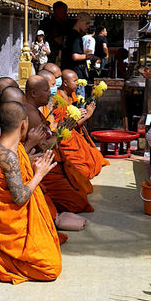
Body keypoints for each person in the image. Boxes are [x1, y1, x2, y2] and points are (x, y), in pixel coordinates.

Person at [0, 100, 61, 284]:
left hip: (15, 221)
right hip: (12, 222)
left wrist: (30, 162)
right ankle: (0, 259)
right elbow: (20, 197)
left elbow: (14, 174)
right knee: (51, 269)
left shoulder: (3, 147)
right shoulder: (8, 154)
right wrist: (39, 174)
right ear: (23, 124)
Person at [25, 74, 93, 214]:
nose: (50, 93)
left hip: (50, 159)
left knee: (81, 187)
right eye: (46, 90)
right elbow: (43, 146)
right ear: (33, 93)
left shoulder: (34, 109)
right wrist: (64, 130)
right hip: (40, 163)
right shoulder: (31, 113)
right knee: (77, 203)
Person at [60, 13, 92, 81]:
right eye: (87, 23)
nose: (88, 26)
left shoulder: (67, 34)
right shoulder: (75, 35)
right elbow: (75, 56)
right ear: (79, 21)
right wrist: (89, 56)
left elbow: (60, 54)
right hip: (76, 73)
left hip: (66, 71)